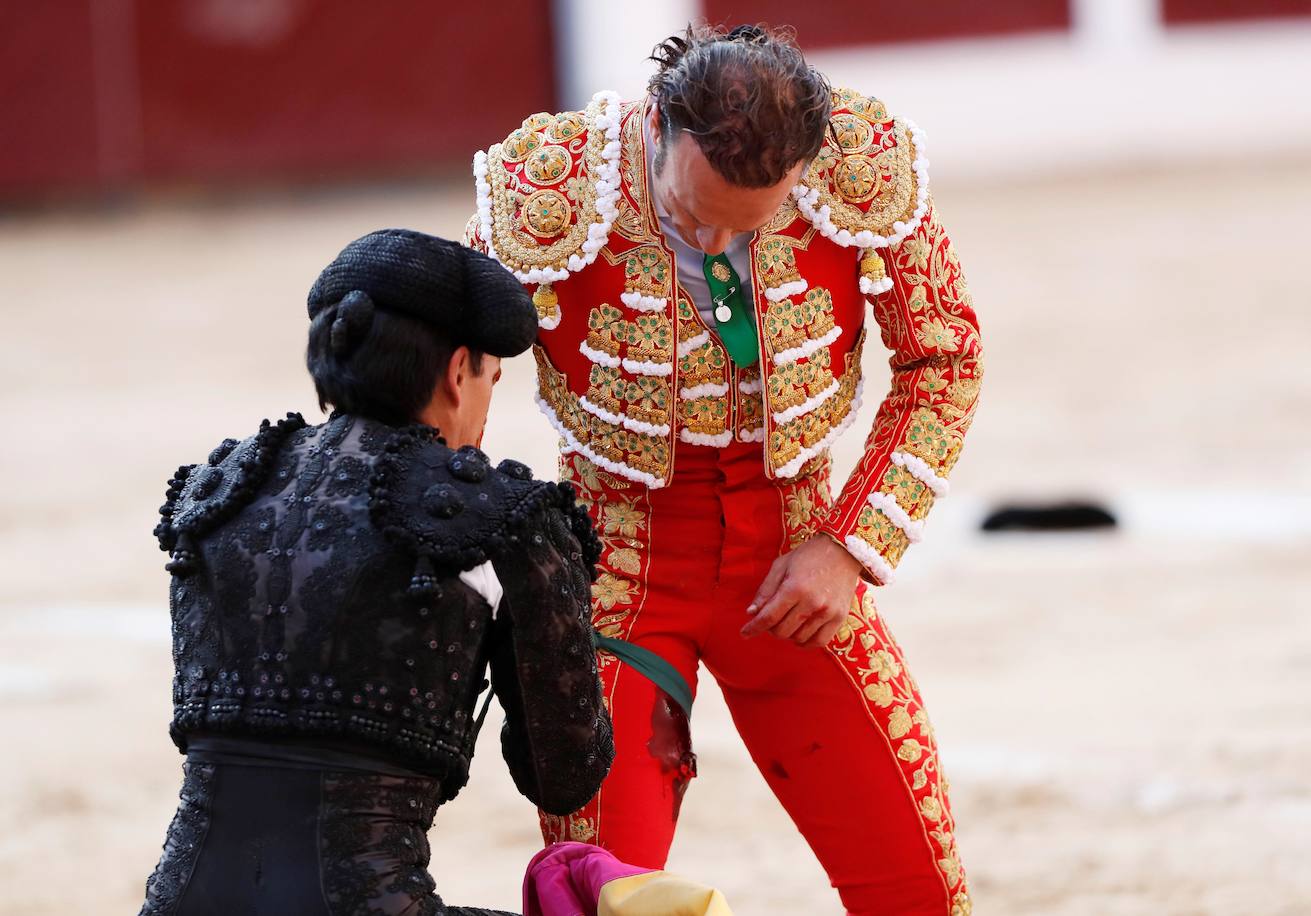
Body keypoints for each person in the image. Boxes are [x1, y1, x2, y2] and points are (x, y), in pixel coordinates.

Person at [464, 23, 984, 916]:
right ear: (658, 122)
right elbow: (455, 368)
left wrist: (849, 547)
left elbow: (945, 361)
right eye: (691, 210)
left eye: (748, 220)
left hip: (795, 568)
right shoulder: (547, 182)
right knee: (602, 903)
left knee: (918, 895)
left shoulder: (862, 166)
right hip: (614, 576)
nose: (712, 241)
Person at [138, 229, 614, 915]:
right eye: (490, 380)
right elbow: (564, 775)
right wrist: (551, 608)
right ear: (458, 372)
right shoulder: (504, 517)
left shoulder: (216, 491)